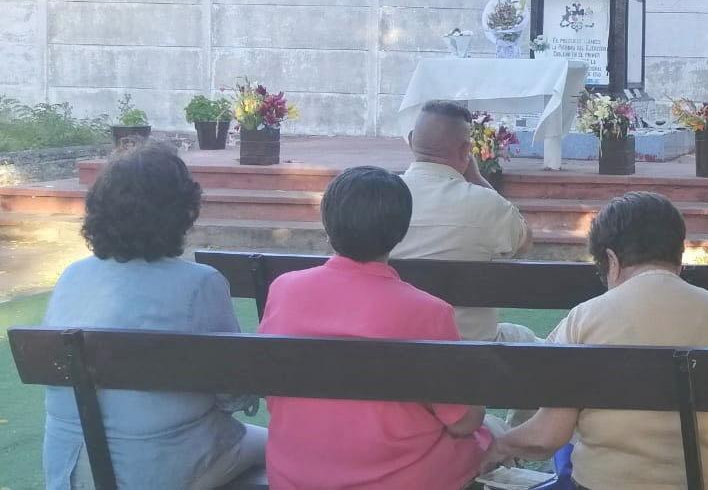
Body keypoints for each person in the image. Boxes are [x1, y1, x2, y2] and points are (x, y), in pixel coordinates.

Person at [493, 192, 708, 490]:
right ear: (679, 255)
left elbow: (547, 437)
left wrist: (499, 445)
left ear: (612, 261)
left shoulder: (584, 318)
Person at [42, 143, 265, 489]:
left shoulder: (72, 276)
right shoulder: (199, 283)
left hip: (69, 469)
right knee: (281, 445)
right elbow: (232, 395)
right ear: (181, 212)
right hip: (160, 467)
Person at [259, 166, 494, 490]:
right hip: (400, 478)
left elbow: (270, 389)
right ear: (400, 231)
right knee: (487, 437)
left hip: (294, 475)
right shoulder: (428, 312)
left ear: (327, 222)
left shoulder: (284, 289)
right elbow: (462, 421)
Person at [391, 100, 535, 342]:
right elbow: (524, 242)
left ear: (412, 140)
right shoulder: (487, 204)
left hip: (396, 346)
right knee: (526, 338)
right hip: (474, 350)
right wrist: (476, 178)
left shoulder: (381, 199)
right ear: (466, 150)